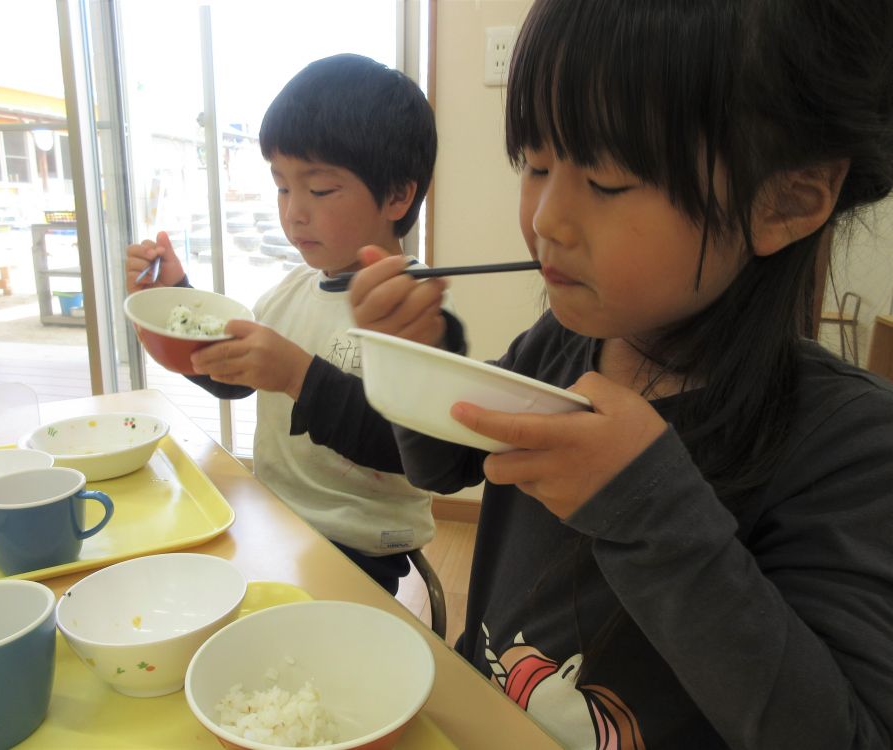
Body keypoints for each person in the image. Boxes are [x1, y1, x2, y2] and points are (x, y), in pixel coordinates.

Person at [347, 1, 893, 747]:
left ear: (787, 201)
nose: (545, 218)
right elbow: (444, 463)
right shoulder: (563, 345)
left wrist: (650, 509)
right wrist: (420, 353)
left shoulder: (851, 446)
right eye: (535, 164)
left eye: (605, 179)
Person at [126, 54, 462, 595]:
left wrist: (297, 375)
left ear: (398, 194)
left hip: (359, 544)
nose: (294, 212)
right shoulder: (289, 292)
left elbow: (408, 453)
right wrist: (174, 303)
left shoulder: (413, 311)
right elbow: (232, 375)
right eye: (282, 187)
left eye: (319, 190)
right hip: (272, 519)